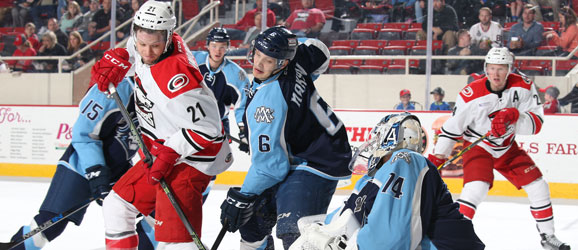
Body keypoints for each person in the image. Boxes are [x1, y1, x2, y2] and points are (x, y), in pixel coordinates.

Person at [92, 1, 232, 249]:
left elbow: (210, 127)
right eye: (142, 44)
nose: (147, 52)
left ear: (168, 39)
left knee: (173, 241)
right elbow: (136, 52)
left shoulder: (176, 75)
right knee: (117, 206)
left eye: (155, 46)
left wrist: (169, 154)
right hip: (161, 151)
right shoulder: (150, 39)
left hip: (191, 160)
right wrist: (122, 59)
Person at [219, 26, 352, 249]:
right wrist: (287, 43)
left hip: (317, 162)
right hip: (315, 147)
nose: (258, 64)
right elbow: (319, 50)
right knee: (252, 222)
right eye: (257, 54)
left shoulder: (268, 103)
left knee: (296, 231)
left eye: (268, 61)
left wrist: (242, 196)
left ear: (282, 63)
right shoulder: (295, 57)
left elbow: (271, 168)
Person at [427, 47, 571, 250]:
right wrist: (438, 157)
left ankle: (548, 237)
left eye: (501, 68)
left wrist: (514, 117)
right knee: (476, 188)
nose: (496, 73)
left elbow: (537, 123)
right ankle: (452, 238)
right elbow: (451, 129)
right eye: (492, 68)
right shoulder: (471, 95)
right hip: (479, 145)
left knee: (539, 186)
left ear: (509, 69)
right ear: (486, 68)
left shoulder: (523, 86)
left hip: (507, 147)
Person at [0, 77, 157, 250]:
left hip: (119, 170)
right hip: (81, 167)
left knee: (159, 213)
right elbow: (83, 135)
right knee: (50, 224)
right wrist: (96, 173)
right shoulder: (117, 89)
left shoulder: (163, 93)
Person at [289, 113, 485, 250]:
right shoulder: (373, 179)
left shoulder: (404, 160)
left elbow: (390, 241)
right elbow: (345, 215)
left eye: (377, 138)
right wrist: (315, 227)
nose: (373, 145)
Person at [191, 27, 250, 149]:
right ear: (207, 45)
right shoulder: (192, 60)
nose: (218, 51)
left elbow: (243, 105)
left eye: (222, 46)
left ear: (228, 47)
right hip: (190, 122)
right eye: (214, 46)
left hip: (218, 126)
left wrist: (244, 132)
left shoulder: (236, 74)